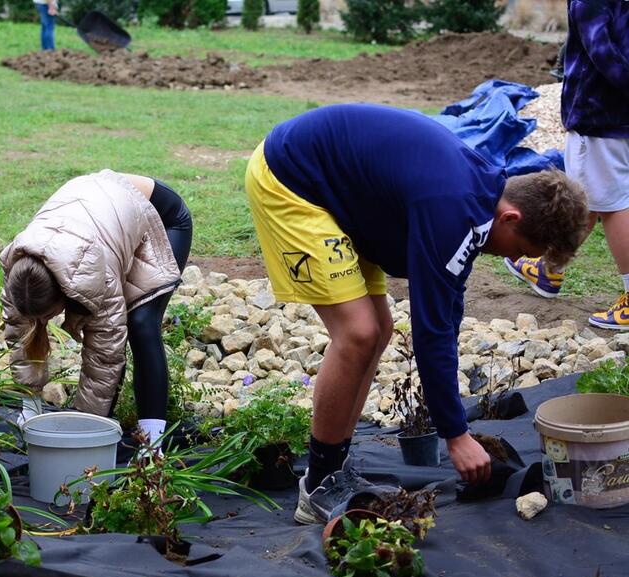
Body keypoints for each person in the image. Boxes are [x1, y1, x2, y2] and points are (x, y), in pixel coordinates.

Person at [245, 104, 592, 525]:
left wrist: (455, 423)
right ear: (512, 217)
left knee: (379, 331)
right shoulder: (452, 207)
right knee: (357, 333)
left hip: (345, 190)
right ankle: (318, 484)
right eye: (521, 250)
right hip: (293, 178)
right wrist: (456, 434)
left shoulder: (483, 193)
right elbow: (431, 330)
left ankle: (334, 467)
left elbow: (448, 304)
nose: (514, 259)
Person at [1, 170, 192, 450]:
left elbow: (104, 358)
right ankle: (124, 432)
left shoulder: (95, 277)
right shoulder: (21, 275)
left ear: (66, 294)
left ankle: (152, 448)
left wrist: (84, 432)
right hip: (102, 214)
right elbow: (20, 335)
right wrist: (30, 408)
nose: (44, 321)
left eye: (48, 315)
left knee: (140, 323)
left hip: (162, 216)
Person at [504, 0, 629, 330]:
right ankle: (549, 270)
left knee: (613, 206)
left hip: (600, 115)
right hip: (616, 117)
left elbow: (602, 52)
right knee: (585, 198)